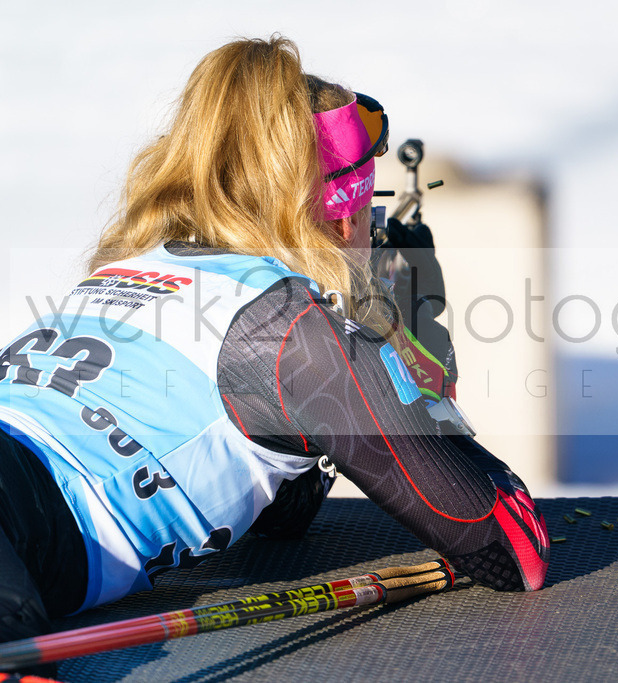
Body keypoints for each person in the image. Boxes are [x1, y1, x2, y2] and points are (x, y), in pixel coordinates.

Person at [0, 35, 549, 649]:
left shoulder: (130, 265)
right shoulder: (286, 325)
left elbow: (281, 519)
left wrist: (367, 357)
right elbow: (505, 544)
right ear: (344, 213)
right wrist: (404, 361)